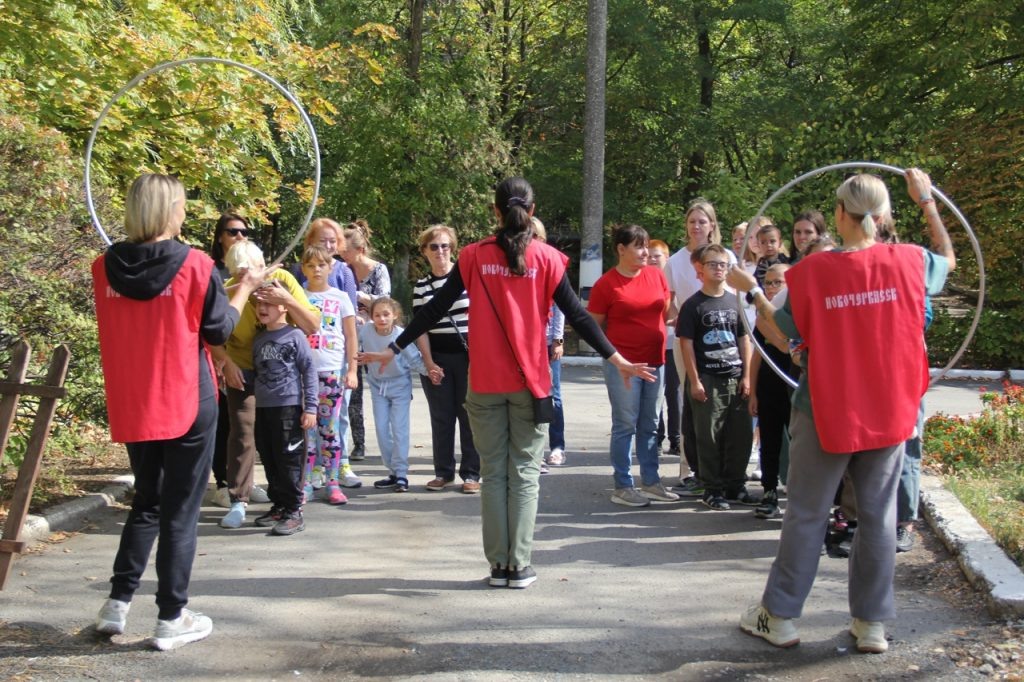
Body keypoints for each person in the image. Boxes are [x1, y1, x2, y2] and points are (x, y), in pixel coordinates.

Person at [366, 177, 654, 589]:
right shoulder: (550, 259)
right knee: (524, 475)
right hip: (530, 384)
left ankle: (498, 566)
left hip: (482, 383)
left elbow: (431, 313)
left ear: (496, 212)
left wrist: (392, 349)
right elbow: (579, 316)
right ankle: (519, 565)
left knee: (493, 474)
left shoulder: (472, 256)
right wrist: (617, 358)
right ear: (532, 212)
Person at [732, 169, 955, 654]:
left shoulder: (813, 272)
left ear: (839, 213)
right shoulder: (912, 261)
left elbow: (786, 332)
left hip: (825, 408)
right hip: (890, 409)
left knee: (807, 514)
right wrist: (928, 201)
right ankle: (871, 624)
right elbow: (950, 260)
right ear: (882, 215)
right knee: (877, 517)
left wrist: (750, 291)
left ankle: (782, 617)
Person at [92, 173, 264, 650]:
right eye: (182, 205)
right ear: (170, 211)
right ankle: (172, 616)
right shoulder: (194, 264)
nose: (185, 213)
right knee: (180, 511)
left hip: (134, 401)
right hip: (187, 397)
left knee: (147, 499)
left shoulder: (103, 268)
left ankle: (117, 604)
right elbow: (217, 330)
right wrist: (245, 286)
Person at [215, 242, 320, 529]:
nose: (246, 280)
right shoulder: (226, 289)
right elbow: (211, 333)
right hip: (244, 368)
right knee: (249, 434)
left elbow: (312, 329)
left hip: (284, 390)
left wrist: (286, 299)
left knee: (286, 452)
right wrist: (226, 363)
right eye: (239, 274)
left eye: (252, 273)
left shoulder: (282, 282)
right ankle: (244, 499)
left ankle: (292, 507)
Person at [589, 224, 676, 508]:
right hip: (623, 365)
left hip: (656, 360)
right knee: (625, 424)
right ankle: (623, 486)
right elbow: (593, 327)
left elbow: (665, 312)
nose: (645, 252)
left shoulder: (655, 275)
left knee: (650, 424)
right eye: (638, 246)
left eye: (647, 245)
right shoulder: (607, 284)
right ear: (621, 249)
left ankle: (651, 482)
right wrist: (616, 359)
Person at [665, 199, 736, 497]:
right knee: (690, 401)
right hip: (689, 341)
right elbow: (668, 304)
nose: (697, 226)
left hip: (724, 343)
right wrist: (679, 317)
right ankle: (689, 469)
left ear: (712, 225)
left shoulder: (727, 256)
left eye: (702, 221)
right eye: (692, 221)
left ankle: (722, 469)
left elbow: (736, 297)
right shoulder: (676, 261)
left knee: (725, 404)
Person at [677, 243, 754, 511]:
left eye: (723, 264)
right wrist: (695, 381)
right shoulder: (693, 306)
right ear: (701, 269)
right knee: (708, 435)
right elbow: (686, 344)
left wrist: (747, 376)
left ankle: (735, 484)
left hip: (735, 377)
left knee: (740, 434)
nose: (719, 269)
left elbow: (744, 339)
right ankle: (712, 488)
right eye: (713, 264)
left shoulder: (735, 302)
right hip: (708, 379)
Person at [411, 225, 481, 494]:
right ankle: (443, 472)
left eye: (445, 246)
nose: (440, 251)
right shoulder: (420, 287)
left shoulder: (468, 278)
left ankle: (471, 473)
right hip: (436, 358)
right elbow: (420, 328)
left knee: (469, 415)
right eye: (434, 246)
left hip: (468, 357)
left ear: (453, 249)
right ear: (424, 251)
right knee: (441, 417)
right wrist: (428, 363)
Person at [293, 218, 363, 460]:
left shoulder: (343, 272)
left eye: (333, 240)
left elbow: (350, 326)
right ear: (311, 242)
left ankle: (339, 462)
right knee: (309, 415)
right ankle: (313, 469)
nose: (329, 244)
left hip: (336, 360)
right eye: (323, 240)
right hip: (307, 361)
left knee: (338, 414)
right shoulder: (298, 275)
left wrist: (352, 367)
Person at [251, 297, 318, 535]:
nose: (261, 308)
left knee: (289, 461)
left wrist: (310, 407)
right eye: (258, 304)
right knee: (269, 458)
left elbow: (309, 370)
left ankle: (294, 510)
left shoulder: (295, 335)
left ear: (283, 307)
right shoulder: (258, 339)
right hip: (263, 408)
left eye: (268, 303)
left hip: (289, 408)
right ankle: (279, 504)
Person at [300, 245, 360, 506]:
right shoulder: (298, 295)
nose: (316, 270)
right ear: (303, 268)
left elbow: (351, 336)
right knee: (306, 429)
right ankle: (308, 481)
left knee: (330, 428)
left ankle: (333, 481)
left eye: (321, 265)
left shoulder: (340, 297)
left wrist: (352, 369)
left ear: (330, 267)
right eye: (311, 266)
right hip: (303, 373)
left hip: (332, 371)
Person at [208, 213, 258, 507]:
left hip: (247, 362)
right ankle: (224, 484)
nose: (240, 236)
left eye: (244, 232)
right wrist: (223, 360)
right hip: (217, 359)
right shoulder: (212, 273)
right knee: (224, 424)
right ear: (220, 237)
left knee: (246, 427)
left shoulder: (254, 270)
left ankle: (245, 483)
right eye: (233, 231)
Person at [358, 298, 428, 493]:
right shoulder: (365, 331)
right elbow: (352, 346)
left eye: (386, 314)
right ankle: (393, 471)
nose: (381, 318)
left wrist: (430, 371)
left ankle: (401, 474)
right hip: (377, 386)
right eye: (377, 315)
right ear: (371, 317)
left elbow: (415, 359)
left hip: (400, 387)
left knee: (399, 429)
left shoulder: (400, 335)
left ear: (395, 315)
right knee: (381, 430)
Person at [340, 220, 392, 470]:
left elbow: (385, 303)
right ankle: (358, 444)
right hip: (350, 338)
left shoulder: (378, 270)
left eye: (345, 250)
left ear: (359, 250)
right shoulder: (343, 270)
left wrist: (360, 297)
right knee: (353, 390)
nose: (342, 255)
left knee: (384, 389)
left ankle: (390, 444)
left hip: (375, 337)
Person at [748, 263, 792, 519]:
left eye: (779, 282)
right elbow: (757, 355)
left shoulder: (794, 314)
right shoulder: (761, 316)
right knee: (770, 441)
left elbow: (788, 347)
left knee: (799, 443)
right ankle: (769, 492)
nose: (772, 287)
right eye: (769, 282)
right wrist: (753, 392)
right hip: (768, 385)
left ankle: (798, 494)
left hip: (794, 386)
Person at [532, 218, 566, 470]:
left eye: (535, 235)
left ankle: (557, 447)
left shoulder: (551, 264)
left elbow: (561, 306)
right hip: (527, 346)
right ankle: (535, 450)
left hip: (548, 343)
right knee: (529, 398)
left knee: (553, 397)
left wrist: (558, 339)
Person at [650, 239, 681, 456]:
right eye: (649, 255)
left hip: (673, 343)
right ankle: (657, 438)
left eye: (657, 256)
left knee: (674, 393)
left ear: (667, 258)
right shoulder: (645, 280)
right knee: (655, 394)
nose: (652, 259)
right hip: (652, 344)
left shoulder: (673, 281)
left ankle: (676, 439)